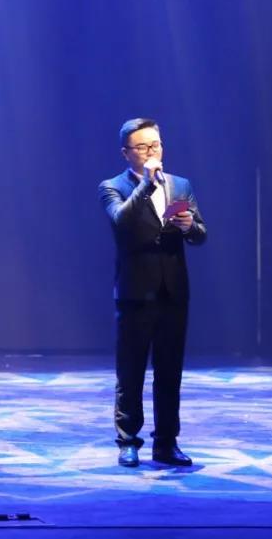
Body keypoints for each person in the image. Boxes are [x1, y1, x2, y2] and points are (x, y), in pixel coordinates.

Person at [99, 118, 206, 468]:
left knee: (169, 371)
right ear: (126, 153)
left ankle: (167, 443)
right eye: (142, 147)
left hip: (173, 291)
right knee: (130, 372)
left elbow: (201, 233)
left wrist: (190, 227)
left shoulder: (181, 185)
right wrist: (145, 183)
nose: (151, 152)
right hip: (135, 292)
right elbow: (121, 222)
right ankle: (128, 441)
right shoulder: (112, 186)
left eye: (155, 145)